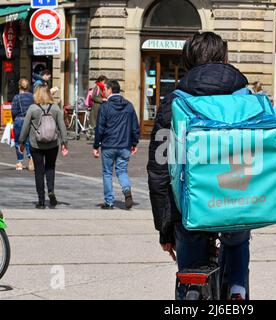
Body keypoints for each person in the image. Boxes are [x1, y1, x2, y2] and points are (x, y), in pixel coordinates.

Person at [147, 32, 250, 300]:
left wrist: (165, 228)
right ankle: (237, 291)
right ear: (225, 59)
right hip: (235, 200)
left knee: (189, 271)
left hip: (189, 209)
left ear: (188, 61)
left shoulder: (173, 103)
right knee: (237, 242)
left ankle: (190, 294)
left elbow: (158, 169)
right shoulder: (245, 98)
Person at [19, 84, 68, 209]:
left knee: (39, 171)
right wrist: (64, 143)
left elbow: (25, 126)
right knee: (50, 168)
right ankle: (51, 191)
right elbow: (62, 127)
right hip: (52, 144)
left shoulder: (33, 108)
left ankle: (41, 200)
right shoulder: (56, 108)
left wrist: (22, 142)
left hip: (36, 144)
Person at [93, 80, 140, 210]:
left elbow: (100, 128)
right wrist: (134, 142)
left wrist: (96, 145)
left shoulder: (105, 107)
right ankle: (126, 189)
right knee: (122, 171)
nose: (103, 92)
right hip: (124, 145)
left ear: (110, 90)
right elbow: (135, 127)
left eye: (105, 89)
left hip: (108, 145)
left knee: (107, 173)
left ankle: (109, 202)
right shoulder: (129, 106)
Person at [11, 78, 34, 171]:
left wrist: (14, 120)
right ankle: (31, 158)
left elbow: (13, 111)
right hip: (29, 121)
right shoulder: (32, 97)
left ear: (19, 86)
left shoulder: (16, 97)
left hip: (19, 121)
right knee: (28, 141)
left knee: (18, 142)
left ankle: (20, 162)